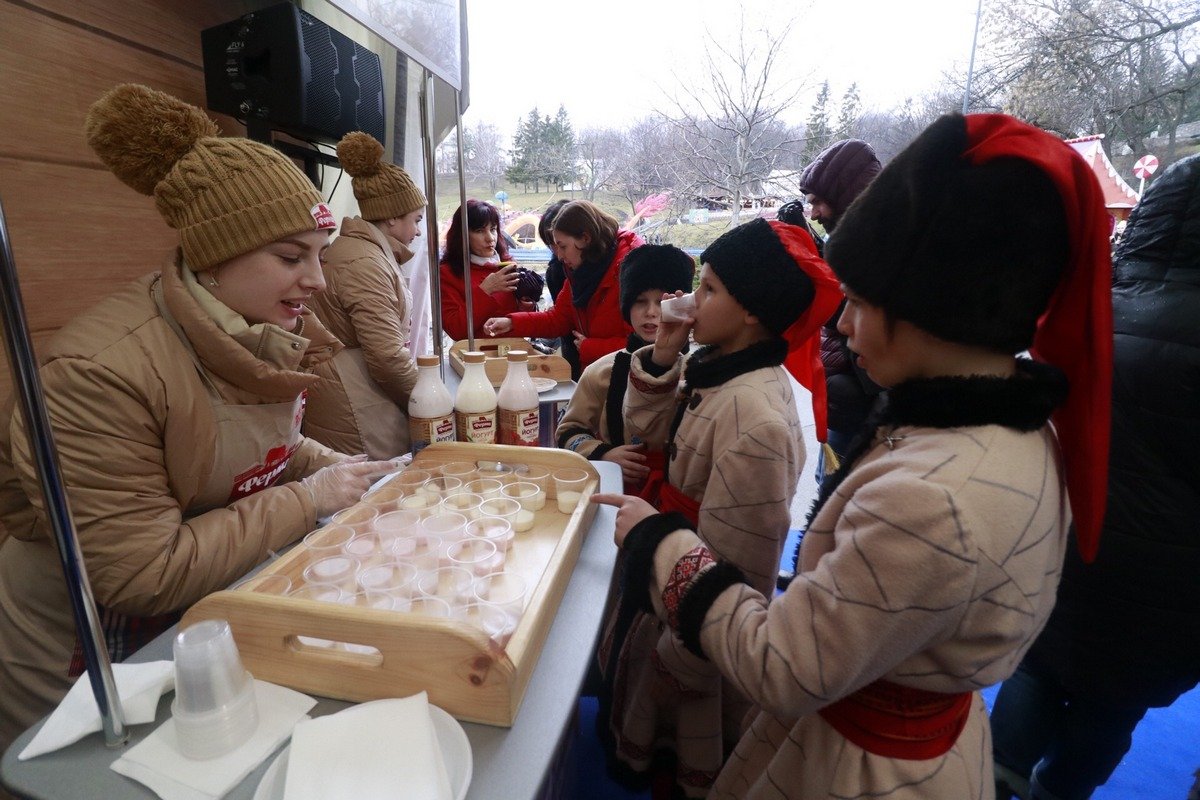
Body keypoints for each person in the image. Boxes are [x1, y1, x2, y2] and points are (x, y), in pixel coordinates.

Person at [593, 112, 1113, 799]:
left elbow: (786, 662)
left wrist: (663, 544)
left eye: (861, 302)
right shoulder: (993, 435)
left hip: (863, 767)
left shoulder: (934, 496)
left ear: (936, 307)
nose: (840, 323)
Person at [0, 84, 394, 755]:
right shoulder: (101, 373)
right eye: (292, 258)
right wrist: (311, 499)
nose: (319, 282)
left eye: (319, 257)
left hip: (192, 623)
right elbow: (140, 572)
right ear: (215, 257)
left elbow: (256, 443)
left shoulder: (251, 329)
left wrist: (341, 470)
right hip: (87, 653)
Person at [596, 219, 842, 797]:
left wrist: (679, 660)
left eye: (708, 290)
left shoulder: (753, 415)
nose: (686, 301)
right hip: (666, 578)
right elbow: (647, 436)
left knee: (679, 750)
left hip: (691, 626)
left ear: (751, 310)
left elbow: (745, 570)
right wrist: (662, 354)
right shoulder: (716, 371)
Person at [990, 153, 1200, 800]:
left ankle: (997, 783)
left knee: (1033, 675)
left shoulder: (1094, 311)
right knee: (1114, 713)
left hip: (1066, 550)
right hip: (1174, 591)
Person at [303, 131, 426, 459]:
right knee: (374, 495)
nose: (417, 231)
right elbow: (386, 357)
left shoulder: (363, 252)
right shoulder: (365, 263)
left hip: (351, 388)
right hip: (352, 400)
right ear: (391, 217)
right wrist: (430, 399)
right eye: (415, 220)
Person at [555, 244, 695, 494]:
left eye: (662, 302)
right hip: (618, 488)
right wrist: (603, 453)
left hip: (683, 493)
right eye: (640, 301)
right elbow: (568, 431)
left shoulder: (699, 372)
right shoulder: (602, 371)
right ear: (626, 306)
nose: (652, 312)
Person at [482, 200, 642, 376]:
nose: (559, 256)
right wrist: (511, 322)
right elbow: (558, 318)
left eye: (563, 246)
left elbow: (644, 342)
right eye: (555, 248)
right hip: (597, 376)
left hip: (627, 380)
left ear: (586, 238)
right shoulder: (581, 270)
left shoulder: (632, 269)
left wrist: (591, 347)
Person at [438, 199, 520, 341]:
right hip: (475, 356)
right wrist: (485, 290)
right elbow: (455, 329)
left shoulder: (508, 264)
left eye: (493, 229)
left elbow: (520, 321)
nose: (490, 238)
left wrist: (527, 303)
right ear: (462, 235)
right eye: (480, 231)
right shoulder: (447, 273)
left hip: (515, 351)